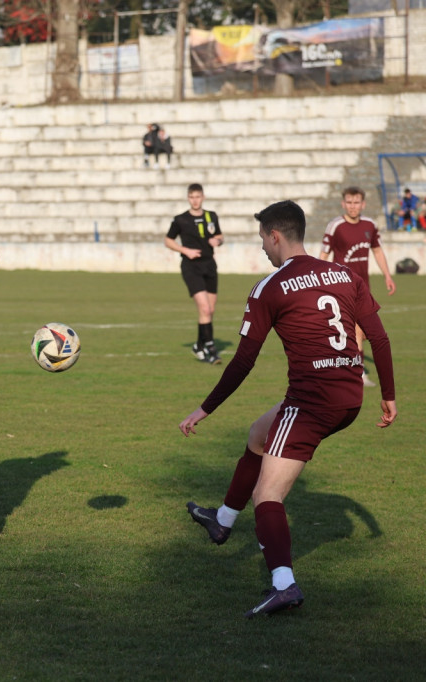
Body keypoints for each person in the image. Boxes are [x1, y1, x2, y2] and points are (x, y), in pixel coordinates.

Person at [179, 199, 396, 619]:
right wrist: (387, 395)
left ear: (275, 235)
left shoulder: (270, 287)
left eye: (262, 237)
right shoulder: (345, 274)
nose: (262, 246)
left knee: (268, 494)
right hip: (350, 394)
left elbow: (243, 361)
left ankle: (284, 585)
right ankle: (222, 520)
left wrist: (205, 409)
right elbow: (380, 340)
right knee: (259, 435)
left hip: (312, 401)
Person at [320, 186, 396, 386]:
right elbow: (324, 255)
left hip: (363, 289)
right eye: (349, 202)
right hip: (340, 288)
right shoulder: (335, 226)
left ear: (363, 204)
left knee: (358, 331)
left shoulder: (370, 225)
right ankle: (350, 372)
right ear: (343, 203)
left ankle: (354, 373)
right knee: (347, 330)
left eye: (356, 202)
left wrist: (387, 275)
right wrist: (319, 281)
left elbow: (378, 251)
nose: (353, 206)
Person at [165, 183, 224, 364]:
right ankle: (211, 349)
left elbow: (220, 236)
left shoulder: (211, 216)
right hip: (191, 267)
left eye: (198, 196)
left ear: (203, 197)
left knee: (209, 310)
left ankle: (199, 345)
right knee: (205, 308)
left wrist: (218, 241)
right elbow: (168, 240)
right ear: (188, 198)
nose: (195, 200)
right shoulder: (180, 219)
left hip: (209, 265)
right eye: (192, 197)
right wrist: (185, 251)